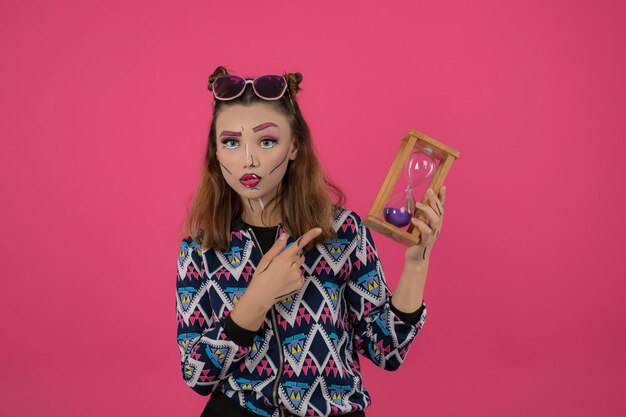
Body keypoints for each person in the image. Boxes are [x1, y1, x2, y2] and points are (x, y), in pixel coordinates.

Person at [175, 65, 446, 417]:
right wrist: (256, 299)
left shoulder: (342, 232)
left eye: (266, 140)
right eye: (231, 142)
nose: (248, 159)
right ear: (216, 151)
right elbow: (198, 375)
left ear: (294, 147)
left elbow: (386, 351)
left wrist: (417, 262)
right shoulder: (200, 249)